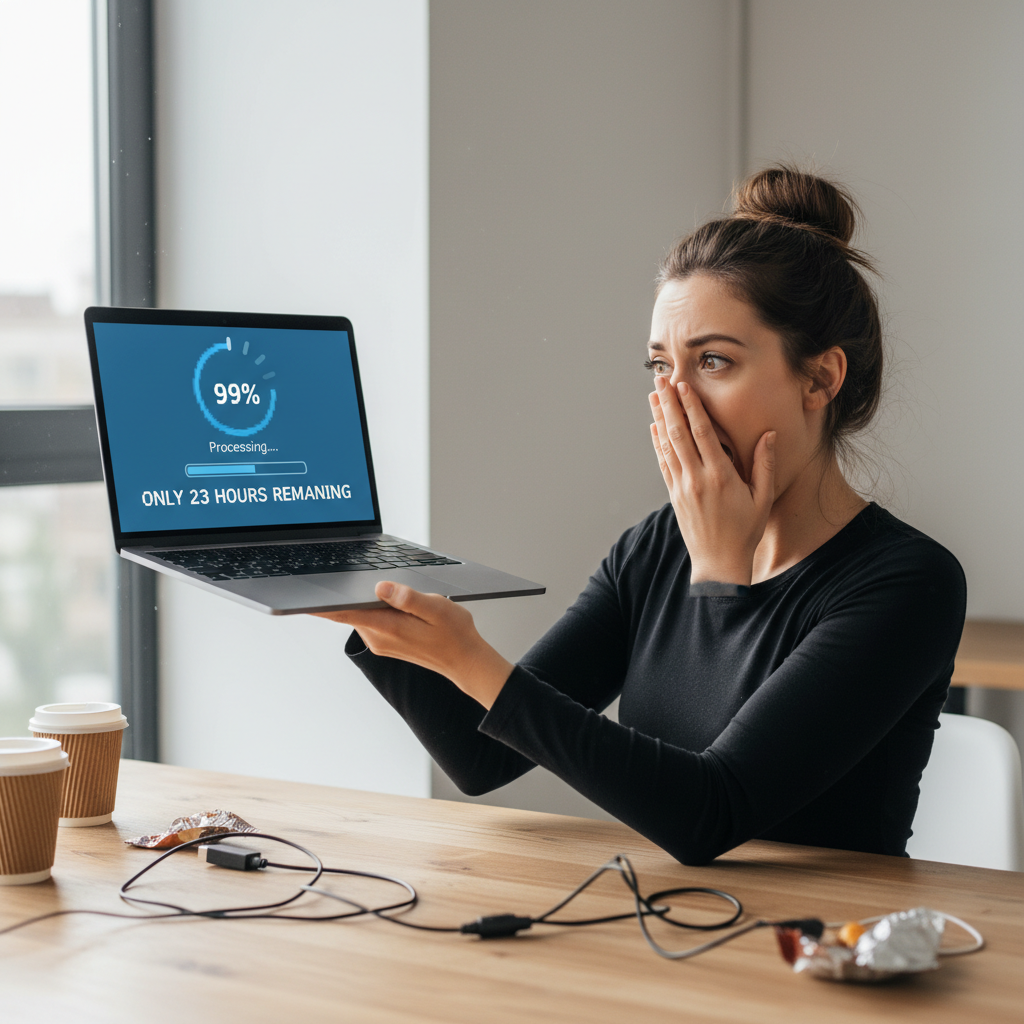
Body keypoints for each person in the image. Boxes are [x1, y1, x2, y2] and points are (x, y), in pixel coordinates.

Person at [317, 166, 966, 866]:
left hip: (818, 949)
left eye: (713, 361)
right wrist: (367, 604)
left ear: (820, 378)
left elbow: (707, 812)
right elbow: (482, 756)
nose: (675, 398)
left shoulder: (909, 583)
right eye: (660, 366)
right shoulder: (659, 544)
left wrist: (719, 579)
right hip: (671, 929)